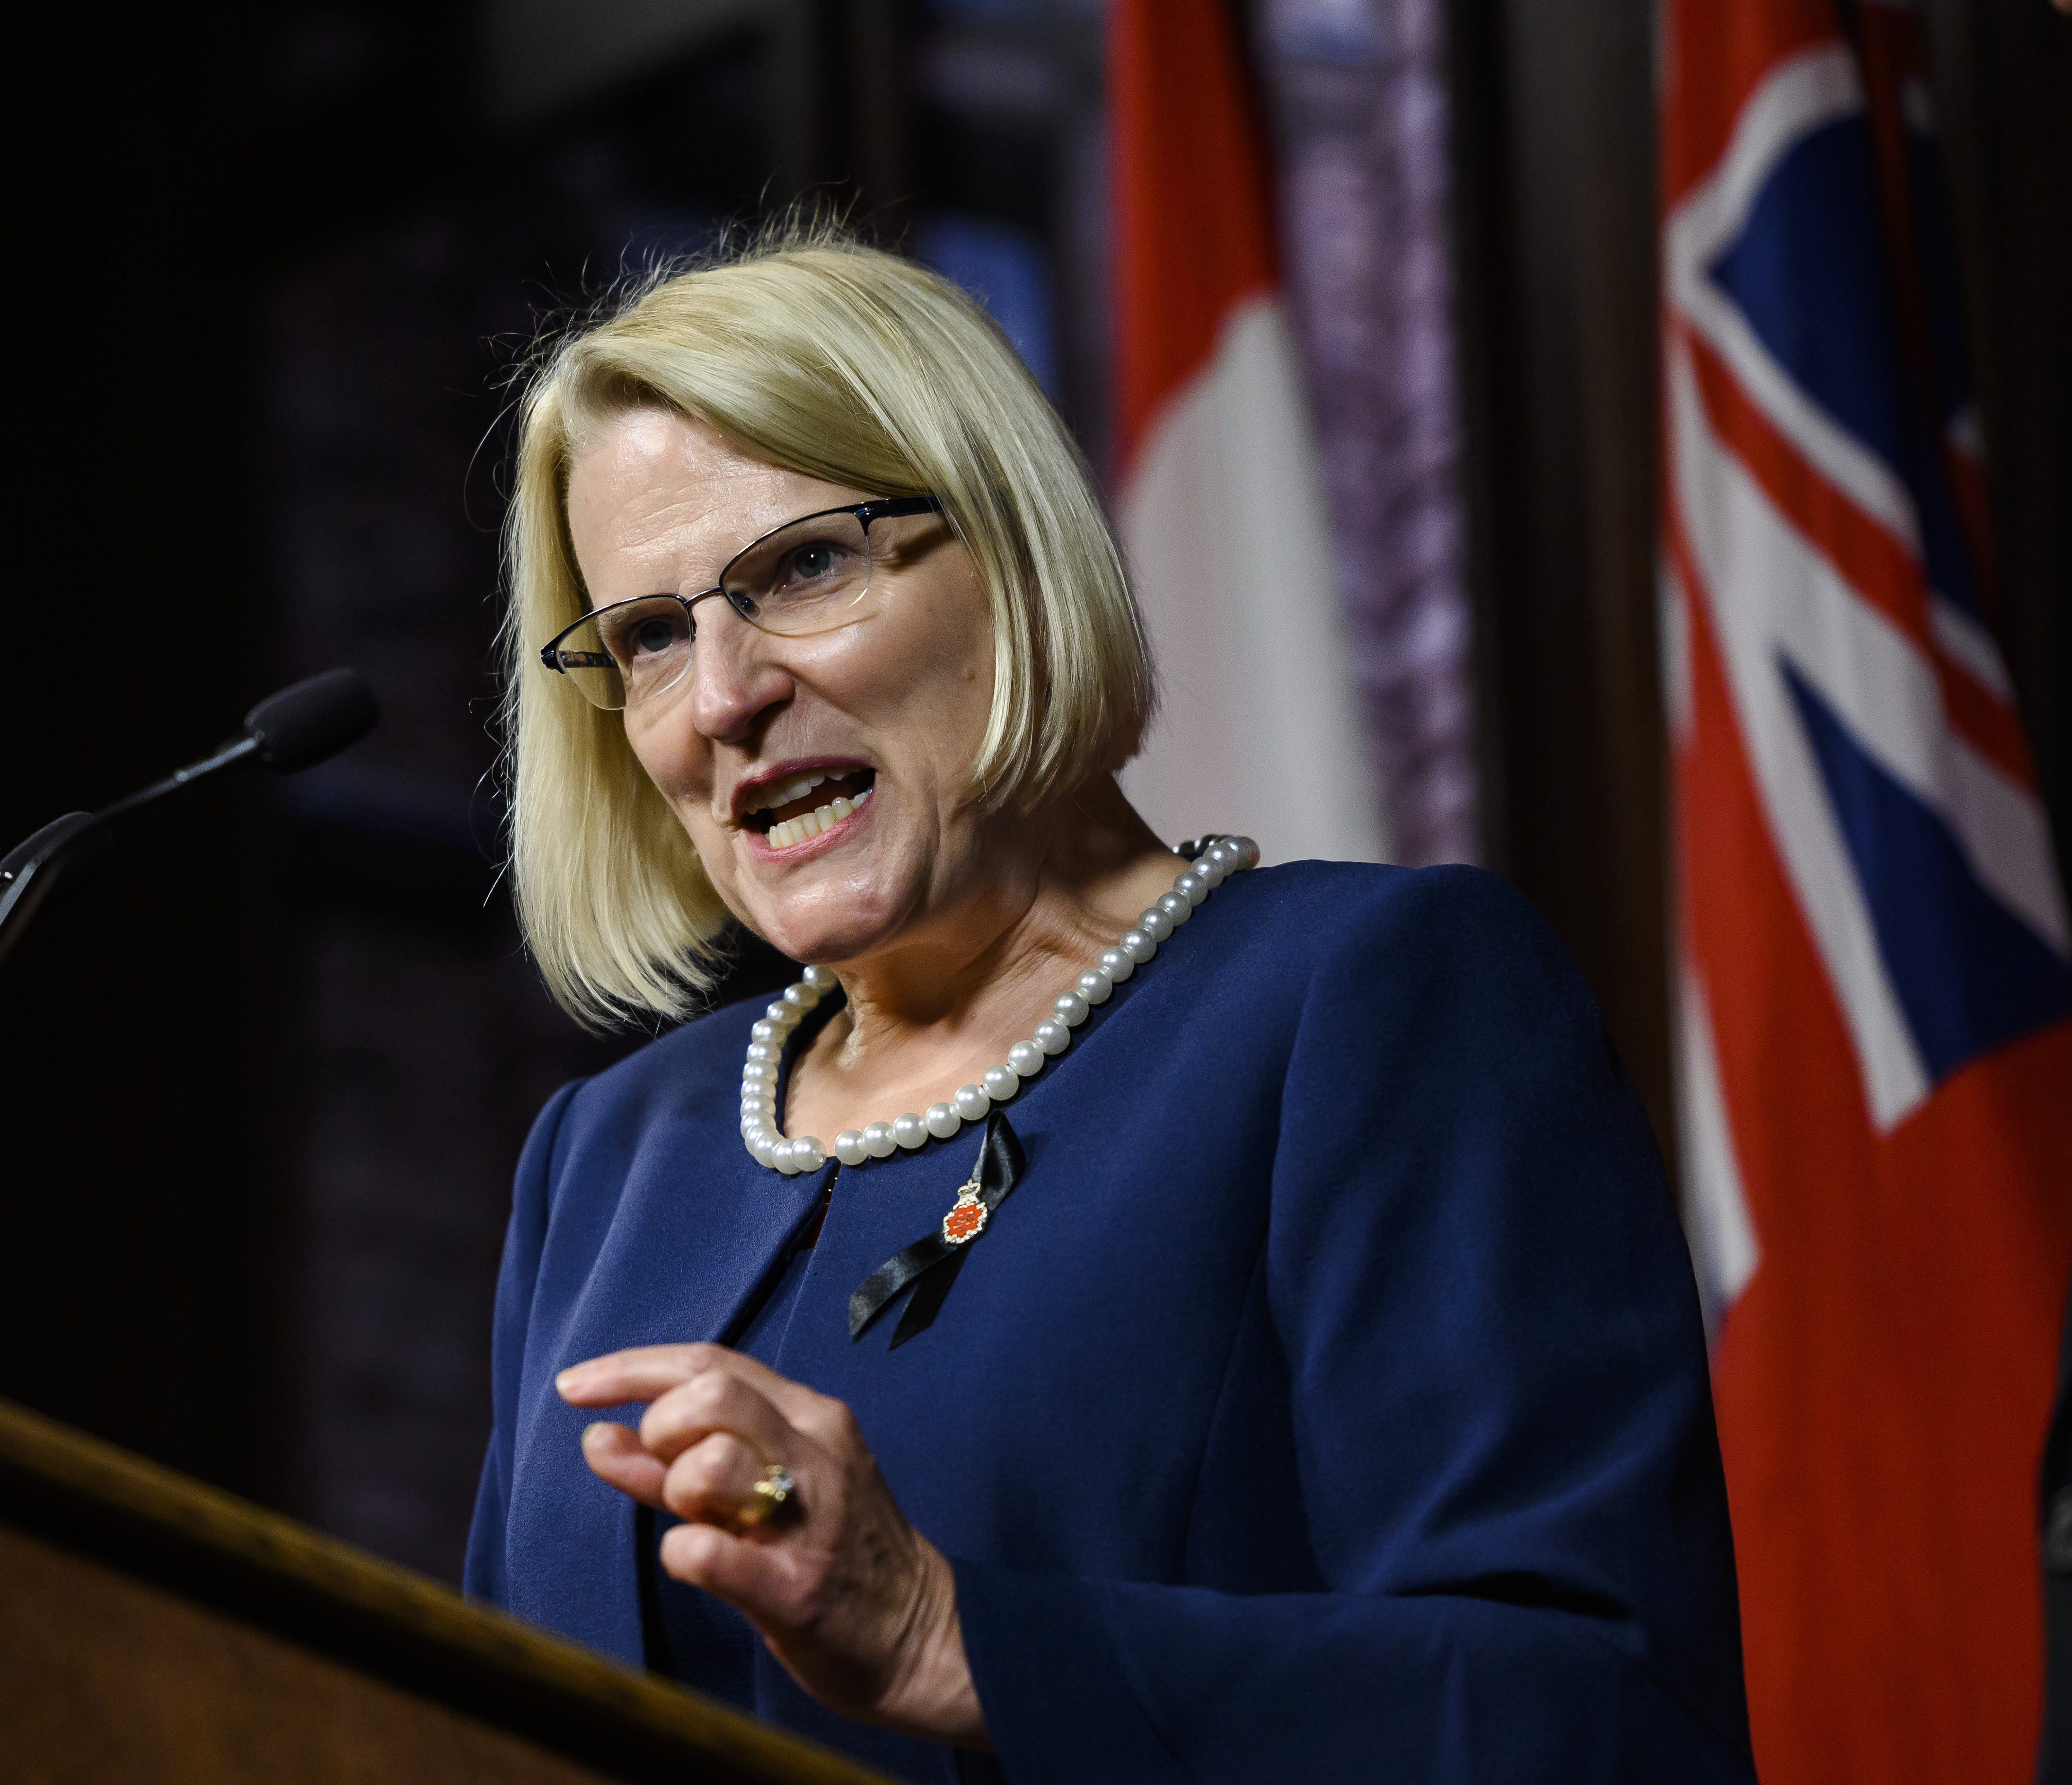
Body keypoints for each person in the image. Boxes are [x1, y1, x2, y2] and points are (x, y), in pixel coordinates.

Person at [464, 222, 1753, 1783]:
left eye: (801, 567)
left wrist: (957, 1638)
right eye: (652, 638)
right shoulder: (611, 1161)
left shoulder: (1370, 1004)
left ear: (1010, 553)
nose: (725, 697)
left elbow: (1599, 1719)